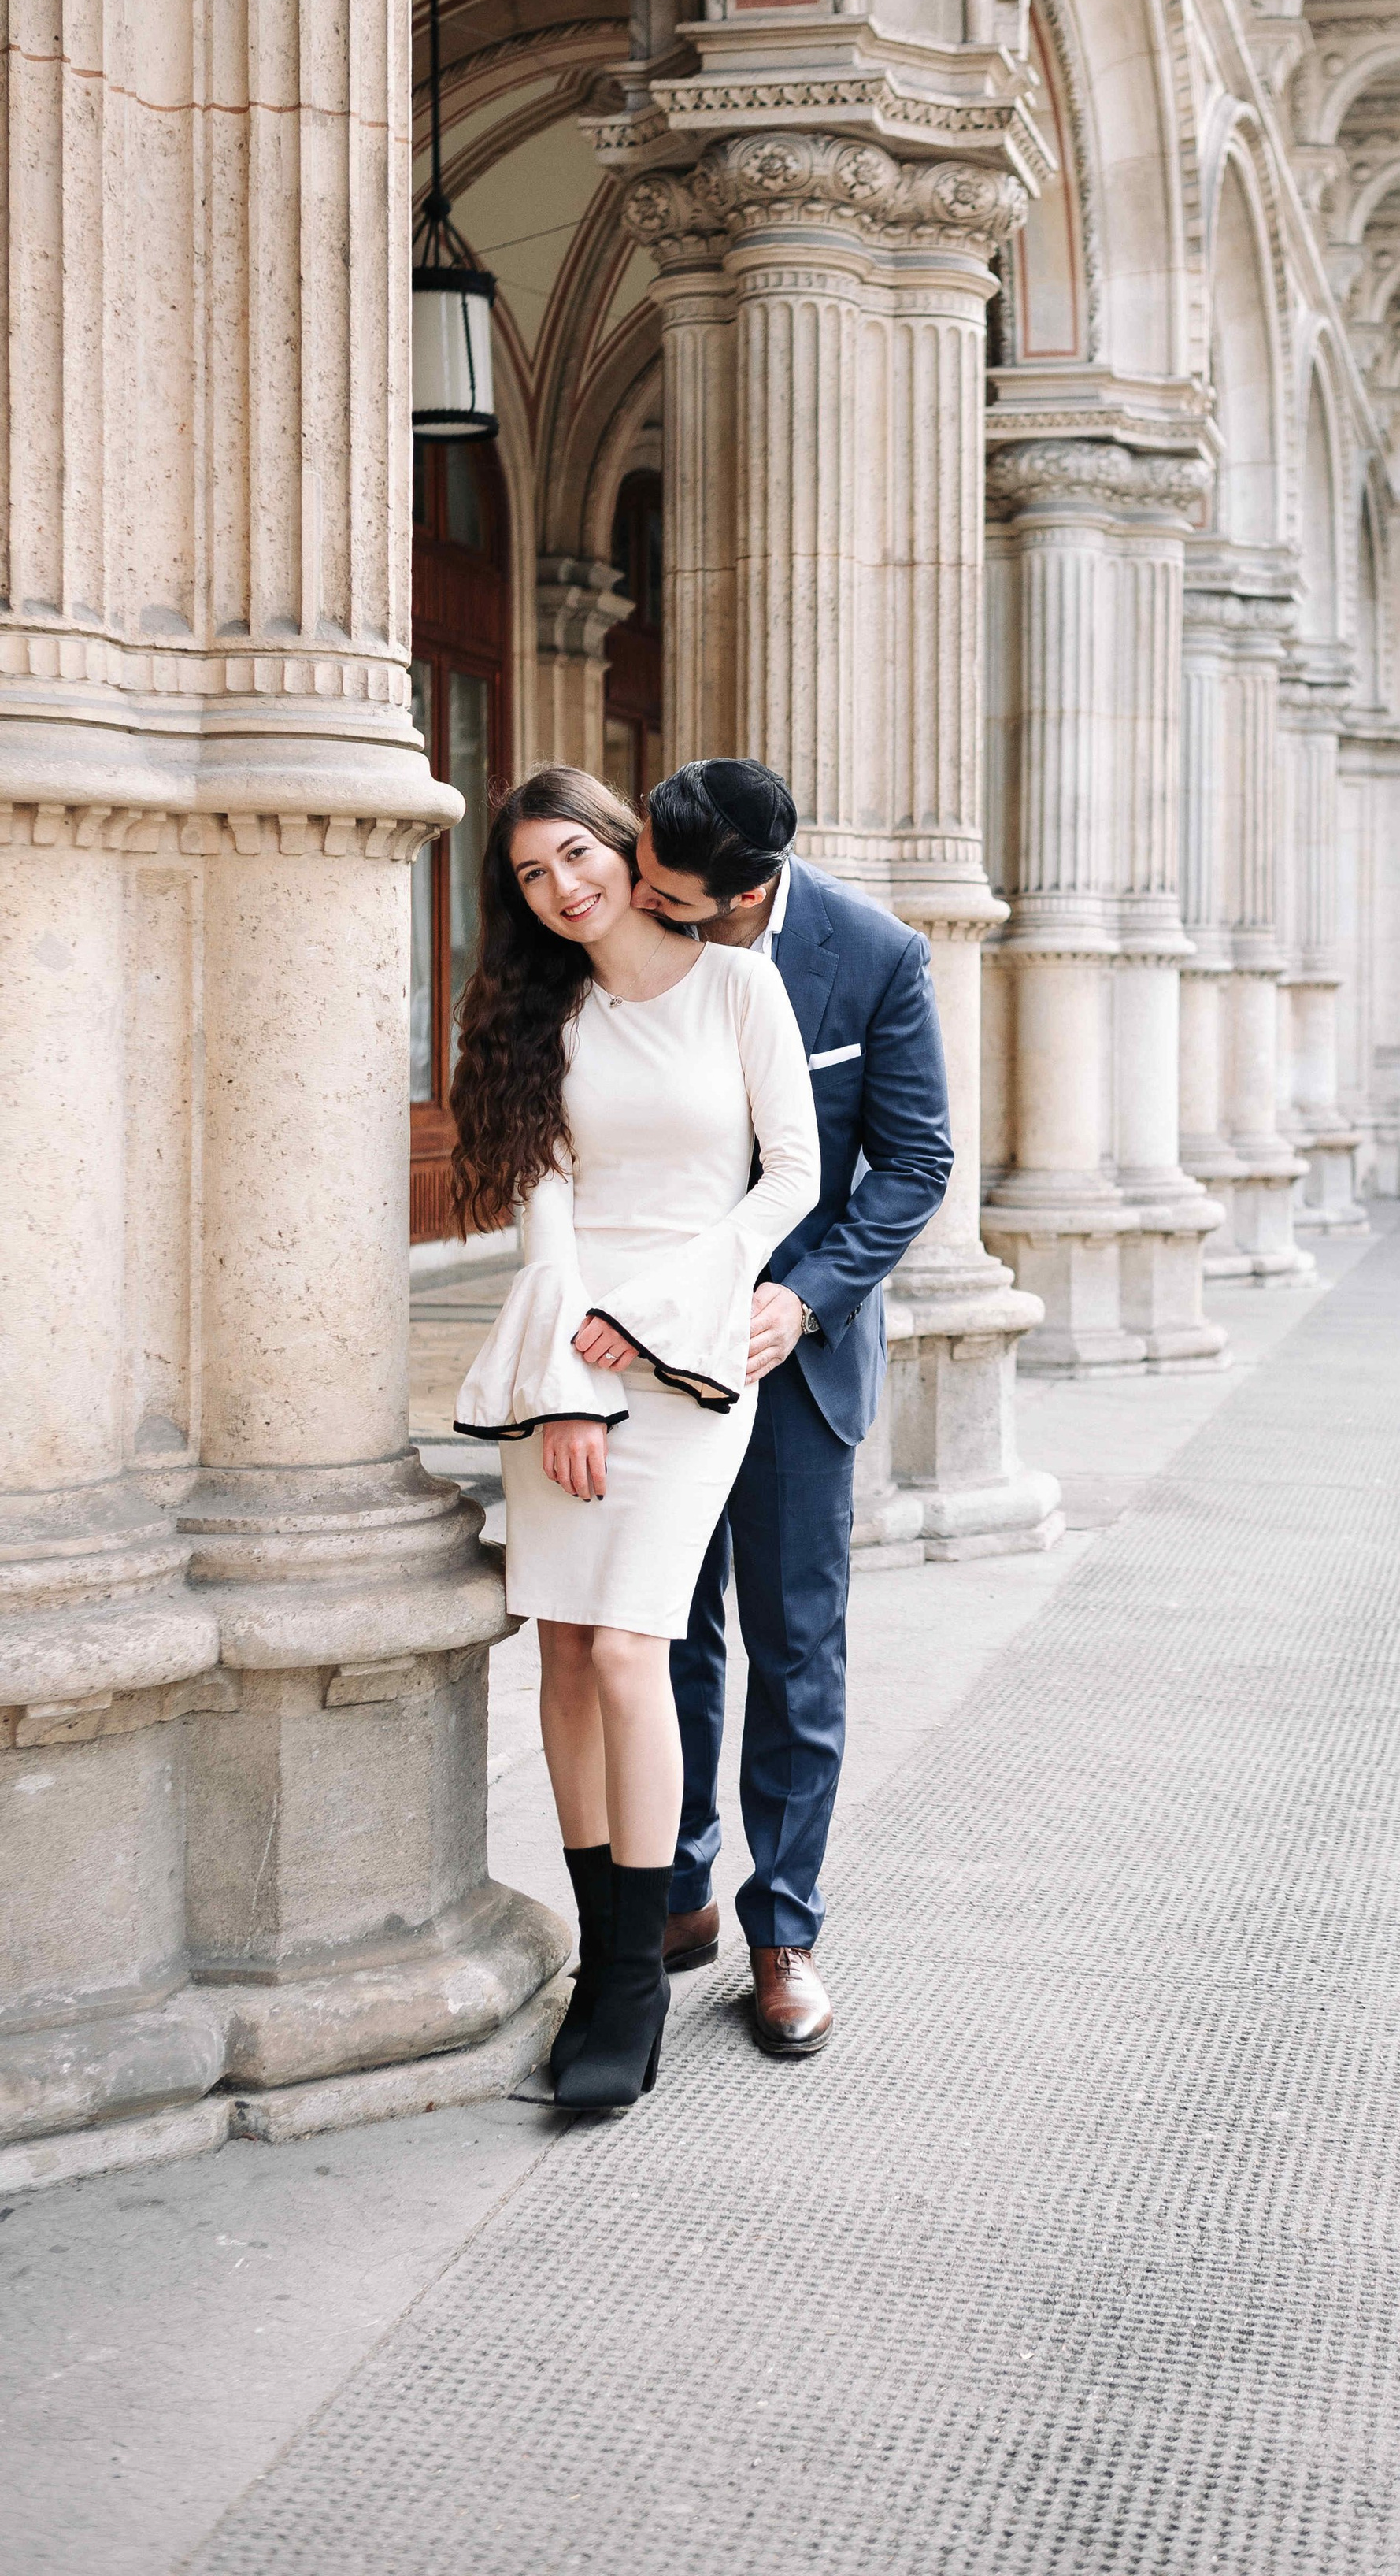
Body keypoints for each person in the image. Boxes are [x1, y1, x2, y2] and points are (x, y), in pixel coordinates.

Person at [446, 766, 819, 2109]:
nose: (561, 889)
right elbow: (548, 1217)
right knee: (560, 1646)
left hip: (696, 1350)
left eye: (574, 857)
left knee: (627, 1647)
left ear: (622, 843)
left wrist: (657, 1319)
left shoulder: (738, 986)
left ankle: (635, 1980)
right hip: (568, 1352)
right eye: (532, 877)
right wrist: (566, 1387)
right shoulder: (546, 1015)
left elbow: (794, 1175)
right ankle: (606, 1964)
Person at [631, 758, 955, 2059]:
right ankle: (674, 1895)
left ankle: (785, 1934)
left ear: (748, 888)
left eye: (672, 892)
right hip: (656, 1344)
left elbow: (917, 1159)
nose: (644, 903)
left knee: (794, 1652)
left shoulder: (874, 954)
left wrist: (808, 1298)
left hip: (789, 1361)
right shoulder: (646, 935)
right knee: (668, 1636)